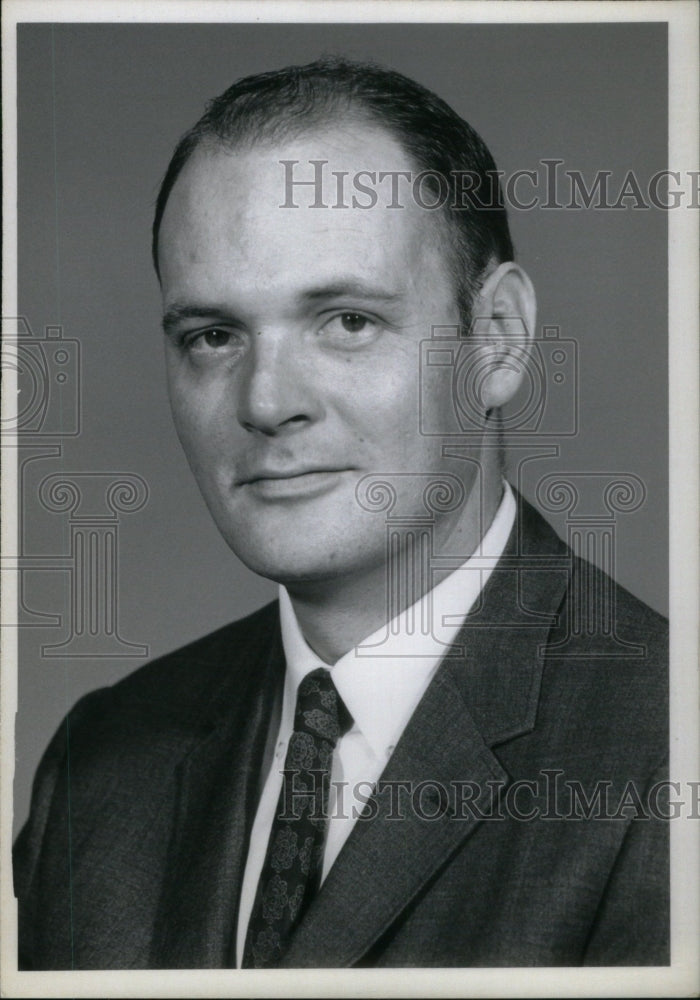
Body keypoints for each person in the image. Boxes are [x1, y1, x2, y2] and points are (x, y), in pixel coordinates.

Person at [14, 57, 668, 969]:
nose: (266, 400)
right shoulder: (102, 765)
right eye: (213, 336)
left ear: (499, 341)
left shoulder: (666, 750)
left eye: (348, 321)